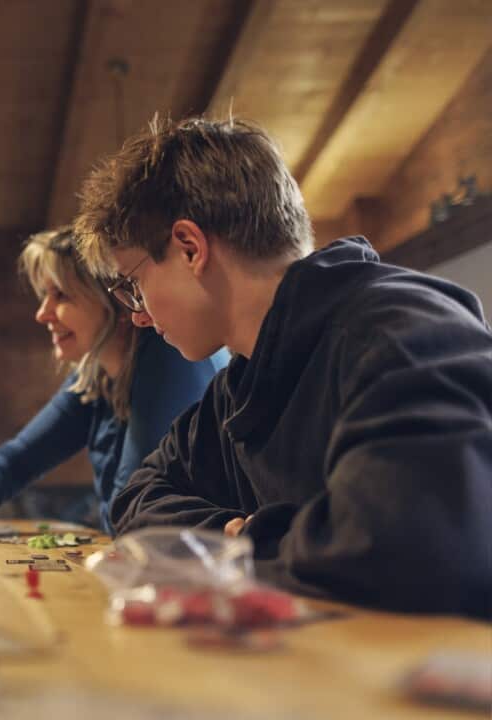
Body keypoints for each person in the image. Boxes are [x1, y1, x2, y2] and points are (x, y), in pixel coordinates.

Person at [72, 116, 492, 617]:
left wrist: (244, 538)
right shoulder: (239, 383)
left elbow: (400, 549)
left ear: (190, 248)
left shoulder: (400, 330)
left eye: (134, 283)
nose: (137, 314)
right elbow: (137, 501)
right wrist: (232, 535)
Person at [0, 230, 227, 540]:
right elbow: (20, 458)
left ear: (112, 301)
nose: (42, 314)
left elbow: (132, 511)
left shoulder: (169, 360)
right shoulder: (95, 376)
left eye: (61, 295)